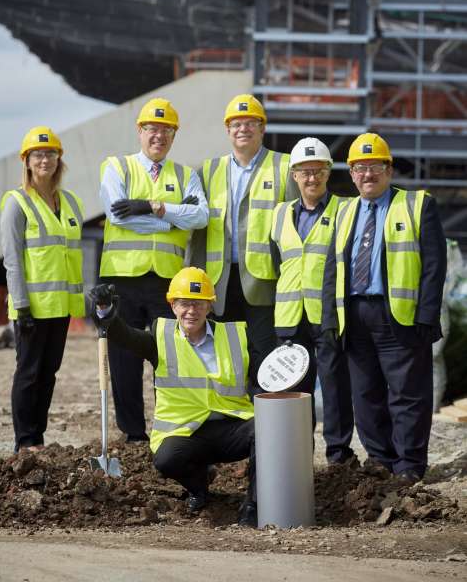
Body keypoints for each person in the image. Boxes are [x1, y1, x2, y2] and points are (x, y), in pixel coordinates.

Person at [322, 133, 447, 482]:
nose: (367, 175)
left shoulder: (417, 204)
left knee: (408, 396)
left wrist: (426, 314)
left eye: (374, 167)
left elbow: (435, 266)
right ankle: (380, 461)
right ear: (350, 173)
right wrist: (331, 319)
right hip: (355, 318)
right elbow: (332, 270)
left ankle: (408, 467)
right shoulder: (345, 211)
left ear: (389, 170)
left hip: (401, 318)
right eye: (359, 168)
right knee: (366, 397)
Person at [91, 267, 258, 526]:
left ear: (209, 306)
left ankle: (254, 505)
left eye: (199, 304)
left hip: (231, 426)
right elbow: (124, 336)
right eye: (184, 303)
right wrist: (105, 311)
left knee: (266, 431)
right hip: (186, 431)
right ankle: (199, 487)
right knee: (167, 460)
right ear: (172, 305)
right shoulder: (161, 338)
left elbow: (264, 373)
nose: (191, 311)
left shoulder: (235, 336)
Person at [99, 98, 209, 442]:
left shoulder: (186, 174)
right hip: (123, 279)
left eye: (165, 130)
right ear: (140, 132)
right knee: (124, 358)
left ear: (174, 135)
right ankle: (133, 433)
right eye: (152, 129)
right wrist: (174, 220)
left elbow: (202, 216)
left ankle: (169, 428)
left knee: (169, 359)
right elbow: (118, 216)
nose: (158, 136)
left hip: (168, 281)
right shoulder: (116, 167)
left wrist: (151, 207)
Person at [191, 94, 297, 367]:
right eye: (236, 124)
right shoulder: (209, 170)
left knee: (265, 354)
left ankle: (261, 409)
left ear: (262, 128)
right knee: (226, 355)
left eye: (251, 123)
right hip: (220, 282)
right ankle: (230, 410)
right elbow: (199, 233)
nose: (243, 129)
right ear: (227, 130)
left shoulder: (284, 167)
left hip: (264, 280)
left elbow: (296, 227)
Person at [270, 137, 356, 465]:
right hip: (290, 315)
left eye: (317, 171)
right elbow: (271, 262)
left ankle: (338, 453)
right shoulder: (279, 215)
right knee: (293, 391)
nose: (311, 178)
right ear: (294, 175)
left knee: (334, 387)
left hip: (329, 314)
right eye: (304, 172)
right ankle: (297, 454)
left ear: (328, 173)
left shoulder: (344, 210)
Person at [0, 126, 85, 453]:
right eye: (38, 154)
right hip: (31, 307)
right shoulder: (17, 203)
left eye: (50, 153)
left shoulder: (71, 202)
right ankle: (25, 441)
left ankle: (39, 437)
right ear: (27, 161)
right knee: (29, 373)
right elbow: (12, 259)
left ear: (58, 159)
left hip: (60, 306)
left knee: (49, 373)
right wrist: (20, 305)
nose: (45, 159)